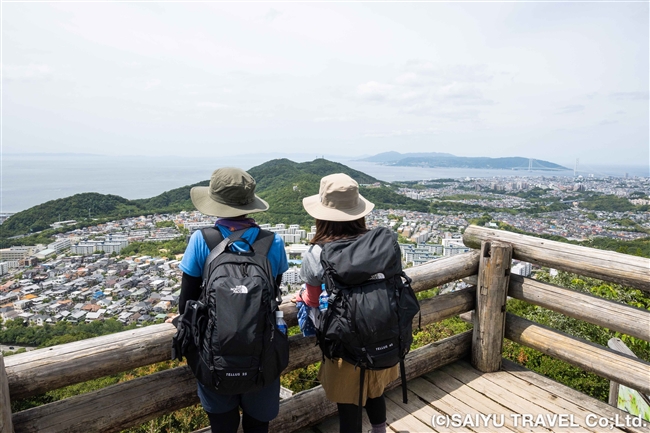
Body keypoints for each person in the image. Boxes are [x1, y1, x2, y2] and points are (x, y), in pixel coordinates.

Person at [177, 167, 289, 433]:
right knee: (258, 425)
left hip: (214, 354)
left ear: (214, 202)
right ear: (250, 203)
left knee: (223, 426)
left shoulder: (202, 240)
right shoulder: (272, 242)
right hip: (261, 351)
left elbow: (187, 302)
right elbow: (272, 293)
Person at [299, 173, 397, 433]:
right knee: (375, 392)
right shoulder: (378, 244)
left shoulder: (317, 252)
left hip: (343, 343)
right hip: (380, 334)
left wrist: (300, 298)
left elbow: (310, 298)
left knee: (348, 405)